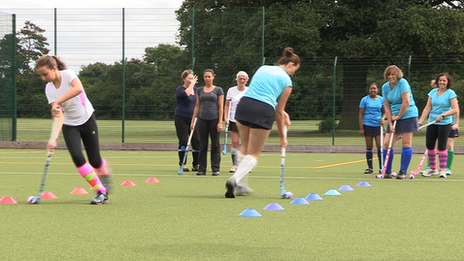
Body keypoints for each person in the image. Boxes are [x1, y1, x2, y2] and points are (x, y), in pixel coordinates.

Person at [35, 55, 112, 205]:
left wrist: (58, 101)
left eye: (45, 74)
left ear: (54, 68)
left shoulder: (69, 75)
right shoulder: (49, 89)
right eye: (41, 76)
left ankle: (105, 172)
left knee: (95, 161)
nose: (43, 78)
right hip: (69, 124)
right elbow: (60, 116)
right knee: (77, 158)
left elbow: (78, 88)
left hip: (87, 119)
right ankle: (101, 191)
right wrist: (53, 139)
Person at [225, 47, 300, 198]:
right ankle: (234, 179)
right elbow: (277, 112)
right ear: (291, 65)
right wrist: (282, 137)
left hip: (244, 106)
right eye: (294, 70)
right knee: (253, 153)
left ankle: (241, 187)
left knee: (244, 147)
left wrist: (282, 112)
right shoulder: (287, 81)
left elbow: (260, 94)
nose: (293, 73)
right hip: (263, 111)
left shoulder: (263, 68)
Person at [381, 65, 419, 180]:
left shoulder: (403, 83)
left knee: (406, 143)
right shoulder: (385, 87)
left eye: (393, 74)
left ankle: (403, 171)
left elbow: (406, 102)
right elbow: (387, 107)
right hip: (393, 116)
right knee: (387, 144)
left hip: (408, 114)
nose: (391, 76)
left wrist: (398, 116)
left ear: (397, 75)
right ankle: (387, 171)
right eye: (389, 75)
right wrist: (391, 123)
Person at [419, 73, 458, 178]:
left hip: (445, 123)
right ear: (437, 82)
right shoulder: (432, 92)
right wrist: (420, 121)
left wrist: (443, 115)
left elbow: (455, 109)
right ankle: (432, 168)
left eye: (444, 81)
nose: (442, 82)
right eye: (440, 80)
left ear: (447, 82)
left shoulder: (450, 93)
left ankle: (443, 169)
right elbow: (427, 108)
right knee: (430, 145)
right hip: (432, 122)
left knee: (442, 146)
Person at [191, 69, 224, 176]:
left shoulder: (218, 90)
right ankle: (202, 169)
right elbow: (197, 106)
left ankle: (215, 168)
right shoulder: (199, 90)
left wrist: (220, 122)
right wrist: (193, 121)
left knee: (215, 145)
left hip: (214, 119)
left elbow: (220, 107)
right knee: (202, 145)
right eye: (205, 77)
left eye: (209, 76)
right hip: (202, 120)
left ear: (213, 77)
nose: (207, 79)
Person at [175, 70, 200, 172]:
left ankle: (196, 164)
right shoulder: (180, 89)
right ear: (184, 79)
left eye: (192, 78)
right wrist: (192, 84)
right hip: (181, 118)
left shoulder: (196, 90)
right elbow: (187, 94)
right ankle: (183, 164)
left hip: (193, 118)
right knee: (183, 141)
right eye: (189, 78)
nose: (191, 80)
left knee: (196, 141)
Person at [224, 71, 249, 173]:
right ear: (237, 79)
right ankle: (235, 165)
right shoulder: (231, 90)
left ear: (246, 80)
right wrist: (225, 117)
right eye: (240, 78)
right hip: (233, 119)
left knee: (245, 143)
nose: (242, 81)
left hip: (246, 120)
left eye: (244, 79)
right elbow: (227, 105)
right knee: (235, 142)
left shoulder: (249, 90)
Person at [358, 83, 385, 174]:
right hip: (368, 124)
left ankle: (382, 167)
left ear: (377, 90)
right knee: (369, 146)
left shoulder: (381, 99)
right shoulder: (364, 100)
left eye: (374, 88)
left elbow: (386, 112)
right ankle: (370, 167)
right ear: (369, 90)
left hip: (378, 125)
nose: (373, 90)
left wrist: (383, 118)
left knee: (379, 146)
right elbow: (361, 114)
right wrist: (361, 128)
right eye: (371, 88)